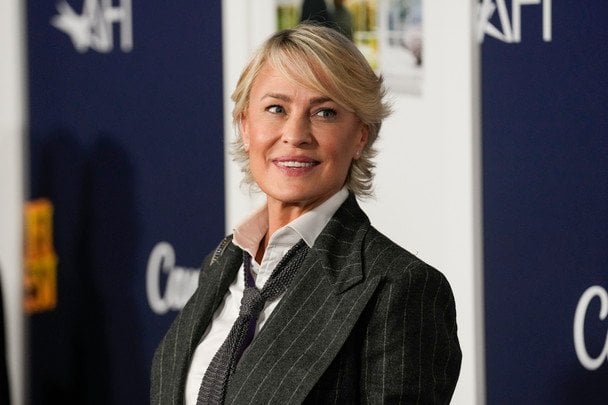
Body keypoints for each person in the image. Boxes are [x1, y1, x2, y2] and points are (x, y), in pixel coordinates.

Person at [151, 23, 461, 404]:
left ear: (361, 135)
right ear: (245, 126)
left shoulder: (398, 288)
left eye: (325, 113)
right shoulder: (222, 262)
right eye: (276, 109)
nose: (295, 134)